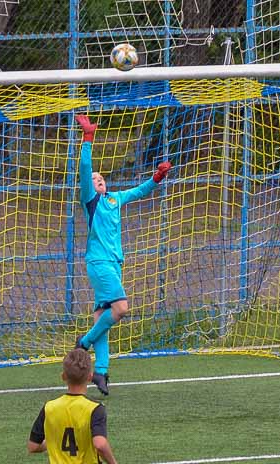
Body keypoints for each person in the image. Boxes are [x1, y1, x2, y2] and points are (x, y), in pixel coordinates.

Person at [74, 114, 172, 395]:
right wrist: (88, 139)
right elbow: (84, 167)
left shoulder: (115, 199)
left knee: (103, 314)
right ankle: (84, 343)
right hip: (99, 262)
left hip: (114, 265)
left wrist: (156, 177)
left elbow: (140, 191)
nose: (98, 179)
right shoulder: (90, 202)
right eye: (94, 179)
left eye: (101, 177)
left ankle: (101, 372)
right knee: (121, 309)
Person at [27, 349, 118, 464]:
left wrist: (54, 442)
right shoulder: (94, 409)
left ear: (63, 376)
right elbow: (100, 444)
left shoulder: (49, 407)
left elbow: (33, 446)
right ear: (90, 377)